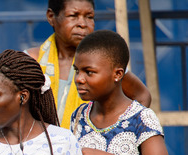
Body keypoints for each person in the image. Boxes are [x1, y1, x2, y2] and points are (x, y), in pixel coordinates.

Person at [25, 0, 151, 130]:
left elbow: (141, 96)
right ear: (51, 17)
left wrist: (121, 134)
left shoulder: (104, 62)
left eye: (89, 17)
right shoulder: (31, 61)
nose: (82, 24)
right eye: (73, 16)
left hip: (89, 148)